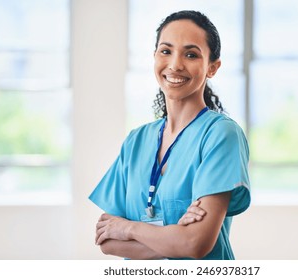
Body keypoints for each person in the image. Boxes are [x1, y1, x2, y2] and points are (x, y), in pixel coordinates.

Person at [89, 10, 251, 260]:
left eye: (191, 54)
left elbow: (196, 243)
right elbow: (107, 240)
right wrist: (175, 236)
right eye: (166, 51)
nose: (175, 64)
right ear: (154, 57)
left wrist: (129, 228)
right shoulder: (136, 141)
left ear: (212, 67)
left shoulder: (221, 135)